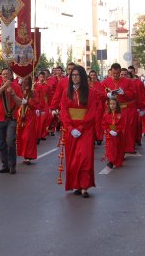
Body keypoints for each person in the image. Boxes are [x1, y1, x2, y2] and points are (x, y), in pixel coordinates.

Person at [59, 65, 100, 198]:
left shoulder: (91, 92)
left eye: (77, 75)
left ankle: (84, 186)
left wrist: (81, 128)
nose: (75, 77)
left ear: (82, 77)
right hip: (71, 130)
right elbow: (64, 112)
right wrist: (70, 128)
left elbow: (91, 113)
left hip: (86, 129)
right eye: (73, 75)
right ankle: (76, 184)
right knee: (73, 158)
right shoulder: (66, 92)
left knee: (85, 157)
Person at [0, 67, 23, 174]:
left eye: (7, 74)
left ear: (11, 75)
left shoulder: (17, 87)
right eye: (3, 74)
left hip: (11, 119)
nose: (5, 76)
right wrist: (4, 87)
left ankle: (12, 165)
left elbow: (20, 103)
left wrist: (13, 93)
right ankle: (5, 164)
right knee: (0, 143)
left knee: (10, 141)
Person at [102, 63, 137, 154]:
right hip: (112, 110)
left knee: (126, 130)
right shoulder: (105, 82)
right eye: (114, 73)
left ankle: (128, 148)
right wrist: (106, 95)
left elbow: (134, 94)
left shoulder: (128, 81)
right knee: (113, 129)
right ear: (111, 72)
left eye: (117, 73)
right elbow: (100, 94)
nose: (116, 75)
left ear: (120, 71)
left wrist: (124, 93)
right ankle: (114, 149)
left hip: (125, 109)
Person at [17, 76, 39, 165]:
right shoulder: (20, 91)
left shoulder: (33, 92)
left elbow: (35, 104)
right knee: (21, 136)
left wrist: (28, 102)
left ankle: (28, 156)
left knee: (28, 136)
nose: (25, 81)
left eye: (27, 80)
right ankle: (24, 154)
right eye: (24, 80)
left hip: (30, 116)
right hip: (21, 115)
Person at [102, 97, 125, 169]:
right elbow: (104, 124)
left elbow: (122, 124)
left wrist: (117, 131)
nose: (112, 105)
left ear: (117, 105)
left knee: (117, 147)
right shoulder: (106, 114)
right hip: (109, 134)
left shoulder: (120, 114)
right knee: (110, 147)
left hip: (118, 134)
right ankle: (111, 161)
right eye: (110, 104)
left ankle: (117, 160)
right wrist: (109, 130)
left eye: (114, 104)